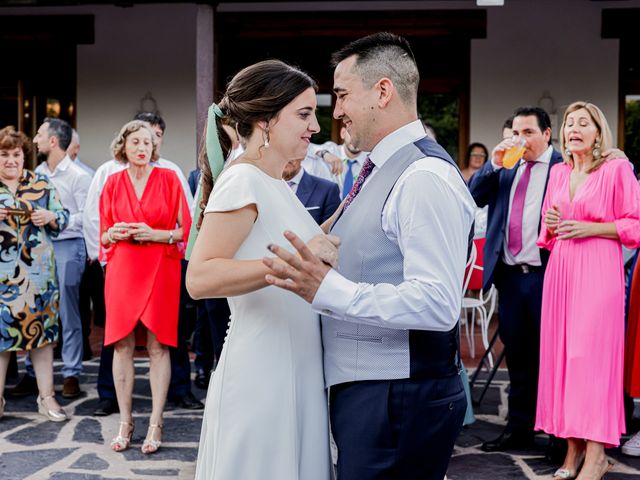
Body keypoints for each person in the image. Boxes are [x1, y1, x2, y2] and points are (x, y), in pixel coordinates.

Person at [264, 32, 475, 480]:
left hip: (398, 396)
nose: (335, 111)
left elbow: (438, 303)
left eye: (341, 95)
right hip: (373, 393)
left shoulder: (423, 177)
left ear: (383, 91)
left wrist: (329, 291)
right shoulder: (378, 168)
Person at [187, 59, 335, 480]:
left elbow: (289, 241)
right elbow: (200, 278)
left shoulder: (273, 182)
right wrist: (293, 261)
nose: (316, 127)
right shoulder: (242, 180)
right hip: (265, 368)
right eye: (304, 114)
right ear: (267, 120)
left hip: (296, 361)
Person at [536, 102, 640, 480]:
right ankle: (573, 450)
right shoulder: (559, 172)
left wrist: (590, 228)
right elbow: (548, 234)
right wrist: (550, 223)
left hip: (598, 269)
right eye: (569, 123)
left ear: (599, 133)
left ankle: (597, 454)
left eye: (584, 123)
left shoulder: (616, 168)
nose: (574, 128)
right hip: (562, 269)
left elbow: (635, 223)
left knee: (592, 360)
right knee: (563, 359)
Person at [83, 114, 200, 417]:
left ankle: (160, 416)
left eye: (148, 142)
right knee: (119, 342)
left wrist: (157, 234)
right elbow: (100, 228)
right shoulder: (109, 179)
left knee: (159, 342)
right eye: (136, 141)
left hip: (161, 267)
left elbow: (187, 228)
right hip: (122, 269)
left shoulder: (170, 176)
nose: (143, 147)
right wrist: (111, 236)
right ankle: (121, 414)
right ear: (123, 145)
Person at [469, 106, 563, 452]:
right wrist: (492, 164)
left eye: (528, 133)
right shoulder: (507, 165)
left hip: (546, 274)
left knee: (550, 356)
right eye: (515, 133)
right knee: (518, 355)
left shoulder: (562, 168)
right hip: (510, 277)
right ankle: (518, 428)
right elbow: (473, 197)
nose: (520, 140)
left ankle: (555, 434)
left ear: (547, 134)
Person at [0, 126, 70, 421]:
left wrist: (51, 216)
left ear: (24, 156)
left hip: (38, 278)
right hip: (1, 280)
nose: (11, 160)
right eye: (4, 154)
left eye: (16, 154)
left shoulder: (41, 183)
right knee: (0, 339)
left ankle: (48, 398)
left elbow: (64, 218)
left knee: (42, 339)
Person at [29, 118, 91, 399]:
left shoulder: (79, 175)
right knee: (38, 309)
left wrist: (55, 217)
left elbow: (87, 217)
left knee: (68, 310)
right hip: (41, 247)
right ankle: (34, 374)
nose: (35, 140)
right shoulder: (37, 173)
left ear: (53, 141)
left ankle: (70, 373)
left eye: (39, 134)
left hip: (68, 245)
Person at [283, 154, 340, 224]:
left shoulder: (328, 189)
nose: (287, 157)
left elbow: (331, 231)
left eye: (291, 151)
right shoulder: (266, 187)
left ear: (303, 154)